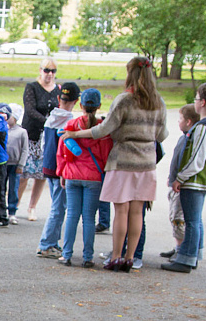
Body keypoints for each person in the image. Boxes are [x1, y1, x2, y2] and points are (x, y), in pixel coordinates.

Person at [64, 56, 168, 272]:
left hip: (123, 160)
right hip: (147, 163)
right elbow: (162, 134)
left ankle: (117, 256)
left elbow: (103, 130)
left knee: (121, 211)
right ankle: (130, 258)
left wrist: (75, 133)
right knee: (137, 212)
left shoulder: (124, 100)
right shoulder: (159, 101)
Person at [162, 81, 206, 273]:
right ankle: (194, 253)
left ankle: (186, 257)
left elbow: (197, 158)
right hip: (199, 181)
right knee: (195, 219)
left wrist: (180, 177)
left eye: (196, 98)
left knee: (190, 220)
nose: (195, 101)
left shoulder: (203, 128)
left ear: (203, 102)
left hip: (194, 182)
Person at [56, 88, 112, 268]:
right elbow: (105, 155)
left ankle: (67, 254)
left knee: (72, 215)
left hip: (73, 173)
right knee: (89, 218)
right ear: (99, 106)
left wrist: (62, 172)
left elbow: (62, 152)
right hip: (93, 176)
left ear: (80, 105)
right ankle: (88, 256)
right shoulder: (103, 129)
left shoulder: (72, 126)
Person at [35, 82, 79, 258]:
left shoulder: (51, 118)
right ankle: (46, 243)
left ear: (59, 98)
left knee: (57, 205)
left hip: (48, 165)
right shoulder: (69, 121)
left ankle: (52, 241)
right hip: (61, 168)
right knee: (58, 207)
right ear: (76, 101)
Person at [19, 58, 60, 220]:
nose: (49, 74)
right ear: (40, 70)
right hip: (32, 135)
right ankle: (14, 205)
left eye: (52, 71)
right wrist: (48, 122)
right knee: (24, 172)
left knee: (42, 174)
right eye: (46, 70)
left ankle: (32, 207)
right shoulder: (32, 87)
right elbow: (30, 110)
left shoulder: (57, 89)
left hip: (48, 137)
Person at [160, 104, 200, 260]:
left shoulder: (190, 139)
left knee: (178, 218)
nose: (178, 122)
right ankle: (178, 246)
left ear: (188, 121)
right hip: (174, 182)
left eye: (180, 119)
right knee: (174, 215)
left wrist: (178, 179)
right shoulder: (184, 137)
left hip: (180, 185)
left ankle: (182, 248)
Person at [5, 112, 28, 223]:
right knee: (1, 187)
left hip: (15, 164)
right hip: (4, 163)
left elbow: (24, 149)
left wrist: (21, 164)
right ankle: (1, 210)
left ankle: (12, 211)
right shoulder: (3, 129)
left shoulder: (22, 132)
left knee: (14, 188)